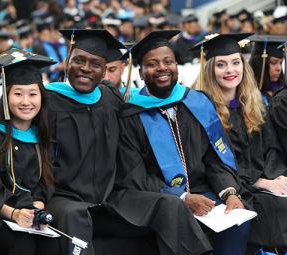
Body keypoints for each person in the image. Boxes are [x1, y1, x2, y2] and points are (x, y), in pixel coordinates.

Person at [112, 30, 251, 255]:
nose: (162, 68)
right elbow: (134, 175)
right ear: (140, 71)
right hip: (160, 196)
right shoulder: (131, 114)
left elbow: (215, 157)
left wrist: (229, 193)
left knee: (238, 220)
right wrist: (182, 197)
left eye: (168, 61)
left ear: (177, 65)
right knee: (177, 214)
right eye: (152, 64)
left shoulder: (196, 102)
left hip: (205, 191)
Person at [194, 33, 287, 254]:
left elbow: (271, 149)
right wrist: (261, 183)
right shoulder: (203, 110)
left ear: (244, 67)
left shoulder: (254, 105)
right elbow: (215, 163)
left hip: (257, 184)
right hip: (226, 189)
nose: (230, 71)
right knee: (277, 208)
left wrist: (278, 178)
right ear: (209, 69)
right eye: (221, 65)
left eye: (236, 63)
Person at [0, 49, 60, 255]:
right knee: (22, 245)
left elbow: (44, 181)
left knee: (52, 245)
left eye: (33, 94)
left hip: (28, 214)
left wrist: (36, 207)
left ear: (42, 97)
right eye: (18, 94)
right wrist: (14, 213)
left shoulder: (43, 136)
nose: (26, 102)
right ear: (6, 96)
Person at [44, 29, 125, 255]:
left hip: (108, 195)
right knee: (74, 215)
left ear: (104, 70)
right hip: (61, 197)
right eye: (78, 60)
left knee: (167, 207)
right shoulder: (45, 99)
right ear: (66, 61)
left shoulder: (110, 99)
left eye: (95, 64)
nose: (86, 68)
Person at [249, 35, 287, 104]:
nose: (279, 68)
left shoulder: (282, 90)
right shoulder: (248, 94)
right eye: (273, 62)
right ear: (259, 64)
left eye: (281, 63)